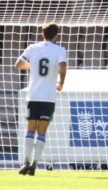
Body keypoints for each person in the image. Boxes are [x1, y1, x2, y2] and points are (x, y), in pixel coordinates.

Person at [15, 22, 67, 176]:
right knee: (42, 131)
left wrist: (33, 66)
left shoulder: (32, 48)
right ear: (56, 36)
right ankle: (34, 165)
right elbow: (63, 67)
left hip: (33, 95)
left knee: (30, 129)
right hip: (48, 97)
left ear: (42, 34)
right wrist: (61, 82)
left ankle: (25, 162)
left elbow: (18, 65)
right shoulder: (60, 49)